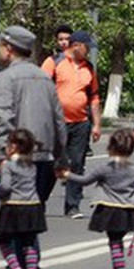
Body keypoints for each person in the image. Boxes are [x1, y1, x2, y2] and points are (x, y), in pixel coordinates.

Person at [0, 26, 66, 269]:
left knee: (13, 214)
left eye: (0, 46)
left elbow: (2, 119)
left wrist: (3, 155)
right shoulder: (45, 78)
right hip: (44, 158)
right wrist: (61, 157)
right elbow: (59, 120)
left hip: (15, 157)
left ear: (8, 48)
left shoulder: (5, 78)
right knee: (32, 213)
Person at [59, 129, 134, 269]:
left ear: (111, 147)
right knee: (118, 242)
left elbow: (85, 180)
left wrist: (67, 175)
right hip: (130, 211)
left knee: (114, 243)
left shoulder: (105, 168)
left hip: (110, 210)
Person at [43, 29, 100, 218]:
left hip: (81, 123)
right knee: (52, 163)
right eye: (87, 47)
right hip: (56, 123)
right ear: (77, 46)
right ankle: (39, 201)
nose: (89, 51)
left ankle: (72, 206)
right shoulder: (54, 62)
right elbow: (41, 88)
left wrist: (97, 124)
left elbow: (94, 97)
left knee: (77, 164)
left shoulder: (88, 67)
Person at [0, 129, 48, 269]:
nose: (6, 147)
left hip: (13, 205)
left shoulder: (7, 165)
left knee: (4, 241)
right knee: (29, 243)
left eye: (8, 144)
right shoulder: (32, 165)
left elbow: (5, 186)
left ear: (14, 146)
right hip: (32, 206)